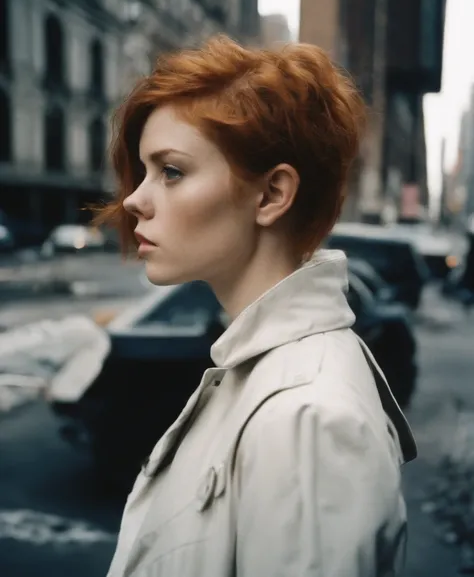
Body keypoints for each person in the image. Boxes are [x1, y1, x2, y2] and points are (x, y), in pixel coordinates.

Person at [98, 35, 417, 577]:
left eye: (171, 171)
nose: (133, 199)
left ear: (271, 195)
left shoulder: (307, 420)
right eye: (143, 171)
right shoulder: (260, 375)